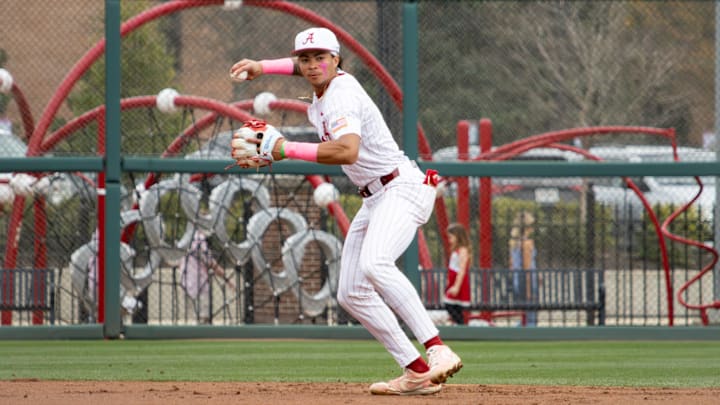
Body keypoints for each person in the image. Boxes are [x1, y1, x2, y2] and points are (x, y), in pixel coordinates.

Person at [229, 27, 462, 396]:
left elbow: (347, 152)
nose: (311, 65)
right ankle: (415, 371)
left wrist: (286, 148)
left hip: (401, 188)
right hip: (376, 198)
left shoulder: (341, 95)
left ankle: (437, 350)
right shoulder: (323, 86)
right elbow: (303, 67)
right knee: (351, 292)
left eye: (321, 57)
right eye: (305, 58)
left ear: (337, 60)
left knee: (375, 264)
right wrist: (263, 66)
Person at [180, 228, 235, 324]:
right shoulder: (199, 239)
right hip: (199, 285)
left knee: (191, 319)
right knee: (203, 319)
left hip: (186, 284)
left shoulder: (187, 238)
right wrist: (228, 279)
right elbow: (210, 263)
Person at [508, 211, 538, 326]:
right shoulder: (527, 243)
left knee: (524, 312)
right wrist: (529, 289)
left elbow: (512, 264)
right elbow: (527, 267)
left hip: (517, 280)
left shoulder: (514, 243)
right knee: (531, 315)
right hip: (527, 281)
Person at [444, 223, 472, 325]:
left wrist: (456, 286)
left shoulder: (463, 250)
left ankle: (461, 325)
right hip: (453, 281)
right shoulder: (455, 249)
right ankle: (460, 325)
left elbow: (462, 269)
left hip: (458, 282)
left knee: (450, 305)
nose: (449, 239)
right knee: (453, 306)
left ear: (458, 236)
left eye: (451, 237)